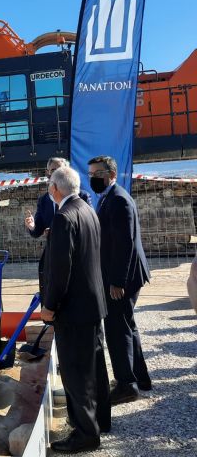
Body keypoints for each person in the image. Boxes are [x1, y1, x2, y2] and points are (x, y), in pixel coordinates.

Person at [41, 167, 110, 453]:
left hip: (73, 309)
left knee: (76, 372)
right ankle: (100, 420)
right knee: (95, 366)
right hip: (93, 304)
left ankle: (86, 434)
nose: (48, 189)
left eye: (49, 184)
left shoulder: (63, 218)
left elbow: (60, 271)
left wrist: (50, 306)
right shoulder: (87, 209)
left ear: (56, 189)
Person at [88, 155, 152, 404]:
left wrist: (117, 282)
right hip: (124, 275)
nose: (92, 178)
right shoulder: (109, 198)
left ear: (111, 175)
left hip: (123, 278)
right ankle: (140, 378)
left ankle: (126, 385)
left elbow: (125, 245)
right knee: (127, 325)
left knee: (117, 329)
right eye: (90, 173)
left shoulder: (118, 200)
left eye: (97, 174)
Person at [25, 157, 92, 238]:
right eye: (53, 170)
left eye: (60, 170)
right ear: (47, 173)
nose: (57, 173)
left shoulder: (82, 196)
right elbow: (37, 232)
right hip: (55, 249)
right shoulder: (43, 201)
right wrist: (32, 227)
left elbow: (90, 226)